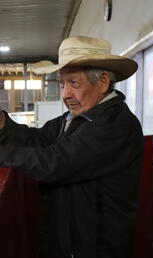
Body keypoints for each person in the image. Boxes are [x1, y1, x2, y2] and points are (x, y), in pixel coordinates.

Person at [0, 36, 144, 258]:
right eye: (63, 83)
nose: (66, 94)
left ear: (103, 82)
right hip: (65, 240)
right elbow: (37, 139)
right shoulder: (73, 117)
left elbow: (55, 163)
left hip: (94, 246)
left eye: (74, 83)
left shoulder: (116, 124)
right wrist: (3, 123)